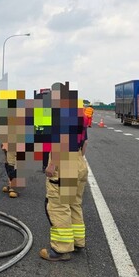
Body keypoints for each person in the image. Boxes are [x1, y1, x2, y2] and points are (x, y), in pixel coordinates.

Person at [40, 82, 89, 261]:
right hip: (78, 161)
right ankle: (77, 242)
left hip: (64, 162)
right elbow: (85, 143)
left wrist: (53, 164)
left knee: (59, 206)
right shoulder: (78, 114)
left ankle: (60, 250)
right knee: (74, 203)